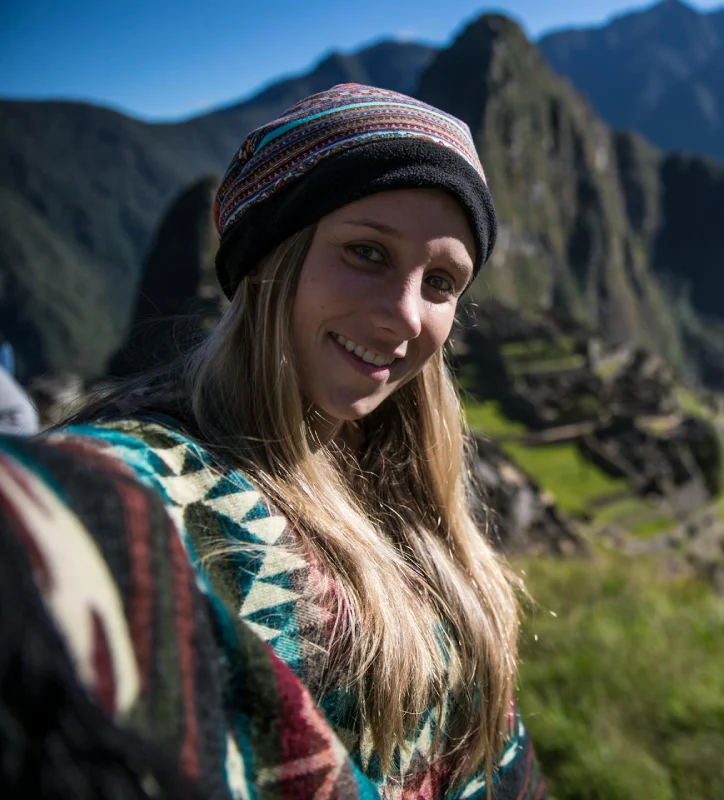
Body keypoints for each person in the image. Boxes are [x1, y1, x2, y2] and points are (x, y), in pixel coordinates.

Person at [0, 84, 544, 799]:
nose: (404, 316)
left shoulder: (417, 500)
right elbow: (64, 521)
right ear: (268, 257)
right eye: (368, 253)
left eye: (441, 282)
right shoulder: (158, 473)